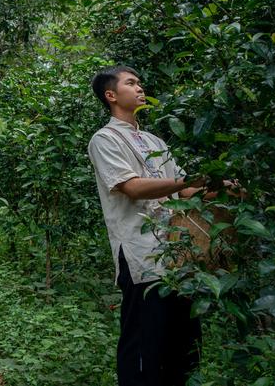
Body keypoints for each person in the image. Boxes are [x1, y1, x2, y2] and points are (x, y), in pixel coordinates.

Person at [87, 66, 204, 386]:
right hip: (141, 254)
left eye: (140, 82)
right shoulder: (105, 139)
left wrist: (216, 185)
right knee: (143, 345)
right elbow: (132, 187)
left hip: (178, 254)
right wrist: (185, 182)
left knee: (184, 344)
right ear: (111, 95)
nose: (140, 88)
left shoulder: (155, 141)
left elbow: (184, 190)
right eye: (131, 83)